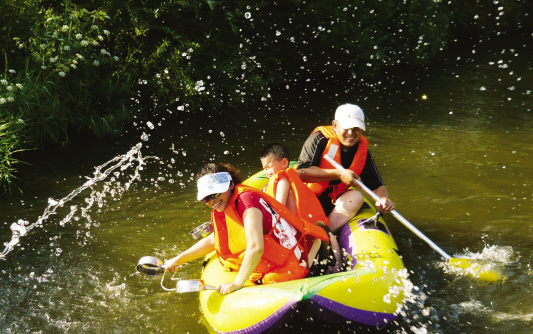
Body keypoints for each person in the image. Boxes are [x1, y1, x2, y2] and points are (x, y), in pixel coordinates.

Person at [163, 163, 330, 295]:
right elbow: (214, 240)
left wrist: (237, 283)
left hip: (309, 257)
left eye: (214, 194)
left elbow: (256, 247)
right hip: (280, 261)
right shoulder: (226, 206)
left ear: (229, 185)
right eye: (206, 198)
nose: (211, 201)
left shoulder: (247, 201)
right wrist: (177, 260)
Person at [296, 104, 395, 234]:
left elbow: (376, 184)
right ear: (335, 125)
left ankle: (325, 233)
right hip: (306, 197)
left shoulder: (363, 152)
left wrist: (383, 200)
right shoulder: (319, 139)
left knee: (357, 196)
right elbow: (301, 173)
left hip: (333, 204)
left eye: (356, 128)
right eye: (346, 127)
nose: (351, 133)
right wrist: (339, 174)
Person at [260, 143, 342, 271]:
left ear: (284, 162)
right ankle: (338, 267)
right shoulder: (279, 180)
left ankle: (335, 267)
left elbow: (278, 209)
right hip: (315, 229)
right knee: (330, 239)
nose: (267, 172)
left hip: (307, 231)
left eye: (269, 167)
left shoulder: (283, 179)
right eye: (264, 168)